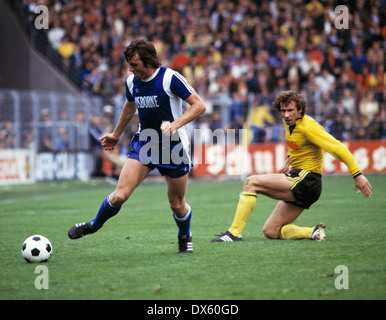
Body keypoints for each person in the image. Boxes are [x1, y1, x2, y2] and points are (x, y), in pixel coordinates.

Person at [68, 39, 206, 253]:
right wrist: (115, 135)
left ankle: (184, 235)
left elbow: (199, 105)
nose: (131, 69)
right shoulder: (132, 81)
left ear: (149, 61)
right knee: (119, 195)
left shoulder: (170, 78)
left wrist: (176, 124)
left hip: (173, 147)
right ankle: (94, 225)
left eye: (135, 65)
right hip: (146, 142)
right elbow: (130, 106)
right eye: (129, 65)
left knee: (177, 205)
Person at [211, 90, 372, 242]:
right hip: (303, 181)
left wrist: (357, 174)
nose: (287, 115)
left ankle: (233, 233)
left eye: (290, 110)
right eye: (283, 110)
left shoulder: (309, 127)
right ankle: (313, 232)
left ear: (300, 110)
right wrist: (287, 161)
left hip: (306, 179)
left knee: (251, 182)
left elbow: (338, 148)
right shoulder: (290, 122)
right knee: (271, 231)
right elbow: (298, 145)